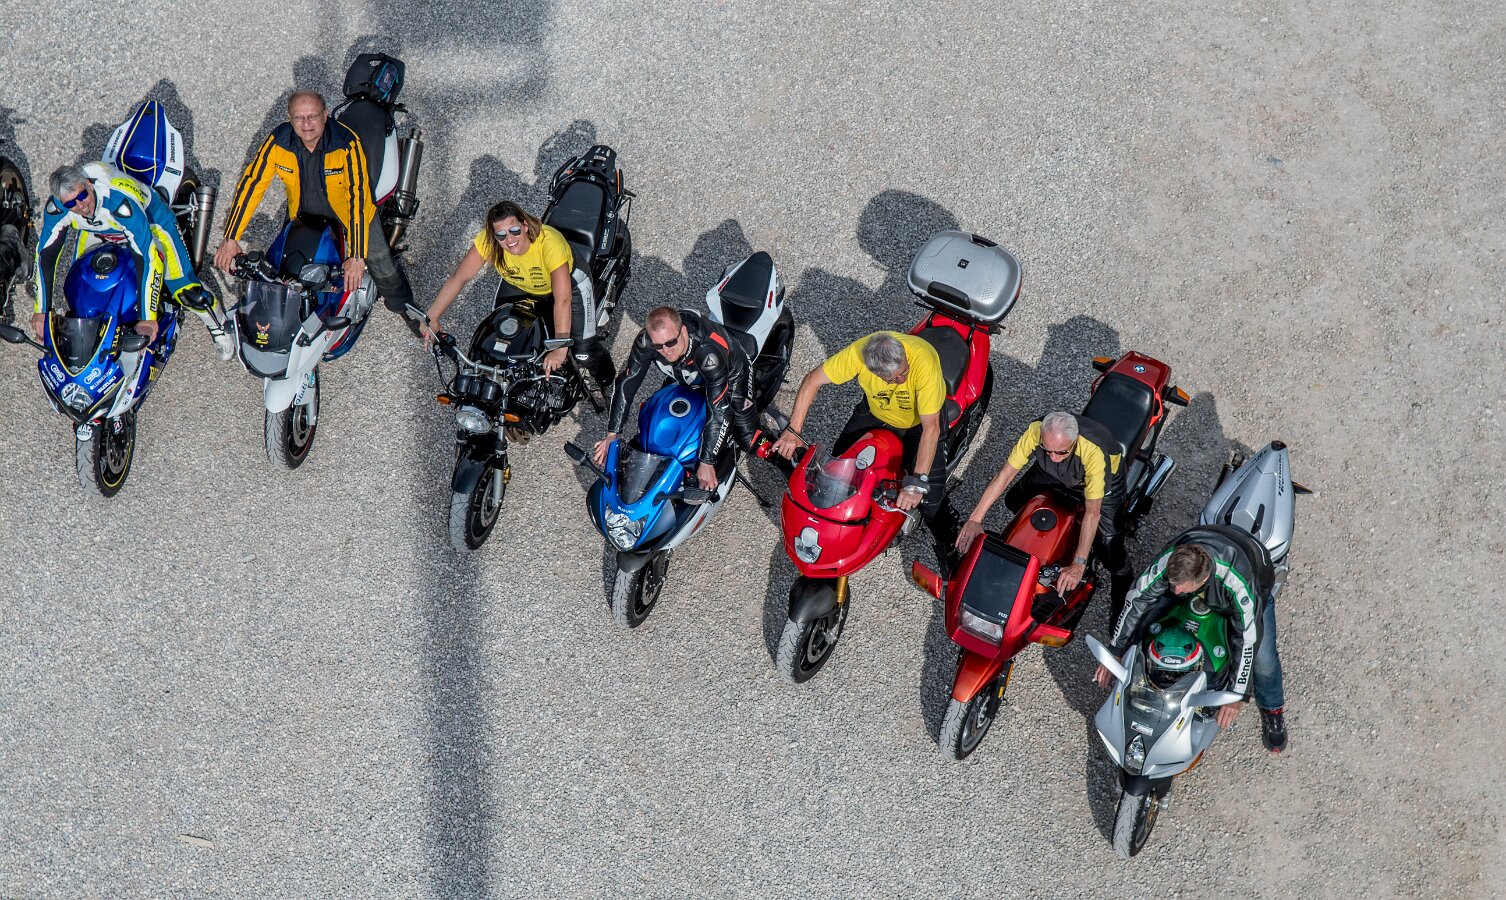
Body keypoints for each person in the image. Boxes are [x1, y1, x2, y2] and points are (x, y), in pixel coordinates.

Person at [213, 90, 416, 335]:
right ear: (290, 119)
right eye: (299, 118)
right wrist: (231, 237)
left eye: (312, 116)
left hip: (349, 215)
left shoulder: (345, 143)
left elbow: (358, 198)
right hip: (302, 213)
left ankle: (408, 310)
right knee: (282, 267)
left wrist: (357, 255)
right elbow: (252, 184)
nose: (306, 124)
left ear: (325, 115)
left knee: (380, 262)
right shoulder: (279, 141)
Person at [771, 331, 961, 566]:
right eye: (894, 379)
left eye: (904, 372)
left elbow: (931, 429)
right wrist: (794, 431)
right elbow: (813, 379)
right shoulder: (859, 353)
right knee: (836, 472)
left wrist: (916, 484)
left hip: (919, 424)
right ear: (872, 370)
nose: (902, 380)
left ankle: (951, 545)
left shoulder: (922, 362)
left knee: (930, 502)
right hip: (876, 413)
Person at [1093, 527, 1289, 753]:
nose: (1175, 590)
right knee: (1146, 623)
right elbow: (1136, 600)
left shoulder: (1236, 582)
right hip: (1204, 570)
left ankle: (1272, 709)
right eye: (1172, 583)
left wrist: (1237, 695)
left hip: (1253, 583)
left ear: (1203, 578)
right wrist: (1116, 650)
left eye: (1180, 586)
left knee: (1264, 661)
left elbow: (1247, 638)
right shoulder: (1172, 563)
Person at [32, 163, 231, 357]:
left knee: (185, 292)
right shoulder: (57, 208)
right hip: (100, 229)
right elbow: (44, 256)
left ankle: (219, 325)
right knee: (83, 289)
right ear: (61, 202)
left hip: (151, 224)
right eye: (70, 204)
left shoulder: (118, 201)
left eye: (82, 196)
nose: (80, 206)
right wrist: (41, 310)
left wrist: (147, 318)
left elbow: (147, 257)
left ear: (88, 184)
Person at [956, 411, 1135, 621]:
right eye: (1047, 449)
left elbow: (1093, 512)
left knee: (1110, 549)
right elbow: (1004, 475)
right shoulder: (1036, 431)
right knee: (1014, 500)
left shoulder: (1092, 451)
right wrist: (975, 519)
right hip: (1052, 473)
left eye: (1060, 452)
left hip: (1096, 479)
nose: (1053, 457)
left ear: (1074, 441)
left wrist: (1078, 564)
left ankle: (1122, 599)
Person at [420, 199, 614, 386]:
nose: (509, 239)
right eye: (501, 235)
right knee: (502, 338)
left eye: (514, 230)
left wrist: (560, 348)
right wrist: (432, 317)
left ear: (525, 226)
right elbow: (459, 278)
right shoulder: (489, 241)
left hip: (570, 284)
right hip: (521, 284)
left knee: (583, 352)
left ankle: (608, 380)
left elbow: (563, 300)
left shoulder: (549, 243)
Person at [593, 306, 768, 489]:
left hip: (730, 374)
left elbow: (719, 410)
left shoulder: (708, 352)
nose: (666, 351)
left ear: (683, 331)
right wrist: (613, 434)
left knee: (748, 439)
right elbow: (626, 384)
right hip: (687, 372)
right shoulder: (647, 342)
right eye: (658, 346)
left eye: (670, 342)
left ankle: (782, 455)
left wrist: (707, 462)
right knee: (655, 418)